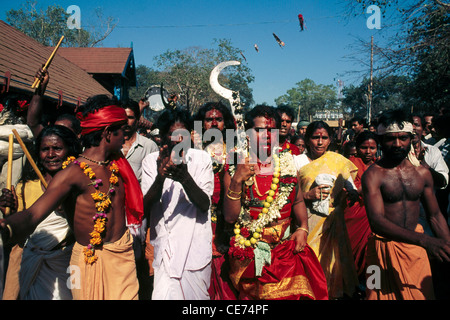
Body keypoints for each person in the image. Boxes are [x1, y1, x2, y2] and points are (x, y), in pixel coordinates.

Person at [0, 94, 144, 300]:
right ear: (107, 133)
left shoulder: (117, 164)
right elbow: (33, 215)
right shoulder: (73, 173)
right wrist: (6, 227)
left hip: (123, 259)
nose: (125, 137)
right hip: (87, 263)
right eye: (122, 131)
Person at [223, 105, 328, 300]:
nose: (266, 136)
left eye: (271, 131)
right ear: (247, 133)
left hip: (285, 252)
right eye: (259, 131)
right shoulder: (235, 164)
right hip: (248, 252)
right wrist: (237, 180)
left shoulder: (287, 161)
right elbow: (230, 218)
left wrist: (303, 228)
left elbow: (297, 201)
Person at [361, 109, 450, 300]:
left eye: (403, 138)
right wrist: (426, 241)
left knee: (421, 295)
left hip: (415, 253)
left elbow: (435, 216)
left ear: (412, 138)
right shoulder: (373, 175)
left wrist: (446, 246)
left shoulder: (422, 174)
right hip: (378, 253)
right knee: (372, 295)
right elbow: (376, 221)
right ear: (381, 140)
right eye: (390, 139)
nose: (397, 144)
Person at [141, 108, 214, 300]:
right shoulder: (151, 161)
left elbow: (204, 204)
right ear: (163, 137)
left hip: (194, 250)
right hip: (165, 250)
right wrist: (160, 177)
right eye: (173, 135)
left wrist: (185, 178)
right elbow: (144, 206)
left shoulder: (202, 159)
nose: (179, 140)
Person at [1, 125, 81, 300]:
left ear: (69, 150)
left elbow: (85, 231)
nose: (51, 155)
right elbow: (20, 236)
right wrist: (10, 214)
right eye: (45, 149)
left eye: (57, 148)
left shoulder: (79, 186)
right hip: (32, 263)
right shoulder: (25, 187)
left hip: (69, 264)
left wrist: (67, 209)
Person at [295, 120, 360, 299]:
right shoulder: (297, 161)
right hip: (307, 222)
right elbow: (289, 195)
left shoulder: (336, 160)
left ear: (330, 140)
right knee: (310, 263)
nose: (320, 142)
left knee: (333, 265)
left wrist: (352, 193)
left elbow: (349, 183)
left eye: (324, 138)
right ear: (308, 140)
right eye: (316, 137)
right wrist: (309, 195)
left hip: (333, 222)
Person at [194, 101, 238, 300]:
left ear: (225, 123)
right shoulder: (193, 148)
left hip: (226, 215)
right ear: (201, 123)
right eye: (208, 119)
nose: (213, 123)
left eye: (218, 119)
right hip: (197, 213)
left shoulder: (235, 150)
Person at [120, 99, 158, 299]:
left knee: (137, 257)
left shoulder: (149, 146)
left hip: (139, 211)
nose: (126, 121)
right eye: (123, 117)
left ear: (137, 119)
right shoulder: (109, 143)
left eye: (131, 117)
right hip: (114, 210)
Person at [343, 131, 378, 293]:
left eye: (372, 148)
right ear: (357, 148)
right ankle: (351, 287)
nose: (368, 152)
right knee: (351, 252)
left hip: (375, 216)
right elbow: (348, 187)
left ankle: (373, 289)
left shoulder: (380, 165)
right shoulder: (350, 163)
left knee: (373, 253)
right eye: (364, 147)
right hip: (354, 214)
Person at [27, 68, 81, 138]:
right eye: (55, 130)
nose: (58, 135)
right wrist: (40, 88)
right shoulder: (50, 141)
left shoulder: (80, 148)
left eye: (64, 132)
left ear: (78, 135)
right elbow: (32, 123)